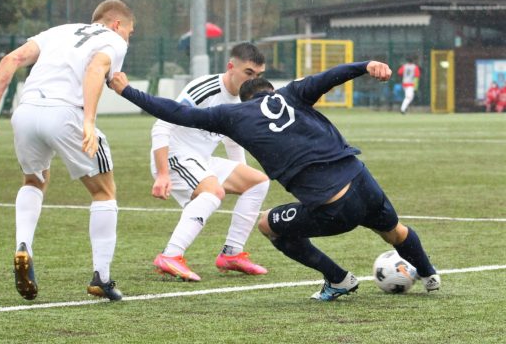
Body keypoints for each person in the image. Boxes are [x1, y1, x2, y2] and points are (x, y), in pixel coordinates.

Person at [109, 60, 441, 301]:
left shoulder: (234, 115)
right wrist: (366, 65)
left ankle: (338, 278)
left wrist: (127, 91)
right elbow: (329, 78)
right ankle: (428, 274)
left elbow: (175, 112)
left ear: (244, 100)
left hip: (333, 206)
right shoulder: (294, 92)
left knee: (268, 224)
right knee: (394, 231)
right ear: (271, 91)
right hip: (362, 180)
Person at [0, 0, 134, 302]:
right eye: (130, 33)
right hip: (65, 114)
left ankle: (23, 245)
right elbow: (96, 68)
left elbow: (11, 60)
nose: (127, 39)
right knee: (104, 192)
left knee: (34, 180)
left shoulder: (60, 31)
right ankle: (102, 278)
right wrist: (89, 122)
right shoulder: (113, 39)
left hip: (26, 112)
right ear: (117, 24)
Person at [151, 43, 269, 282]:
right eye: (248, 73)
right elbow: (161, 125)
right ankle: (170, 256)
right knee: (213, 191)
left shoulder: (245, 100)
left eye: (258, 76)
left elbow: (233, 141)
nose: (252, 80)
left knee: (258, 182)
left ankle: (231, 254)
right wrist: (162, 174)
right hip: (175, 155)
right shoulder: (205, 89)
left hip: (201, 160)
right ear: (230, 67)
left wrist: (242, 175)